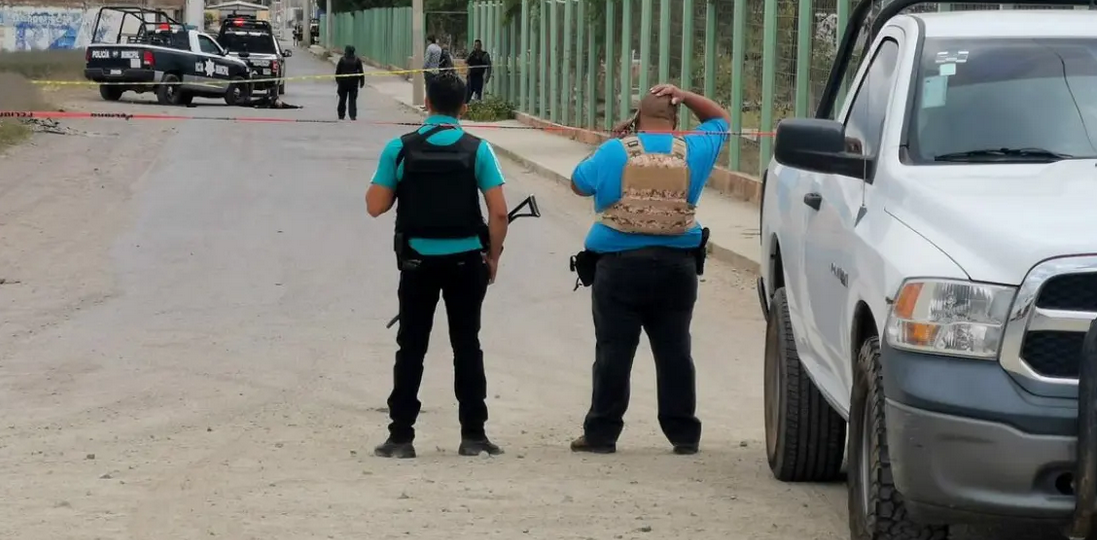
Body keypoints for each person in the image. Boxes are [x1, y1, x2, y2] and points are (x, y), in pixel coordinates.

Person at [567, 83, 730, 456]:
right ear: (675, 118)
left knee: (613, 351)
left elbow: (578, 183)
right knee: (675, 351)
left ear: (637, 117)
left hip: (618, 269)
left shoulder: (615, 151)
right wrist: (685, 95)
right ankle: (683, 434)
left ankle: (601, 434)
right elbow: (721, 119)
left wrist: (614, 143)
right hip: (677, 268)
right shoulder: (694, 149)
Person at [365, 71, 510, 459]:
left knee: (411, 347)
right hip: (466, 262)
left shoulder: (400, 148)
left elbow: (375, 206)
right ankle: (474, 435)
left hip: (417, 263)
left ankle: (400, 438)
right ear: (464, 108)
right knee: (467, 345)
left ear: (426, 103)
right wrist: (493, 257)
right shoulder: (479, 150)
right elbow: (499, 213)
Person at [335, 45, 365, 121]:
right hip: (353, 84)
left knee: (342, 100)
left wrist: (338, 81)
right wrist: (362, 82)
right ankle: (352, 115)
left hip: (343, 84)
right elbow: (361, 72)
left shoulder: (342, 60)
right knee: (352, 101)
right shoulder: (357, 60)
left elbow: (337, 72)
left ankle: (341, 115)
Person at [421, 35, 443, 110]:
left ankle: (427, 106)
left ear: (429, 41)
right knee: (435, 89)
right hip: (436, 71)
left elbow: (427, 60)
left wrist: (423, 68)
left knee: (428, 89)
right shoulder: (439, 48)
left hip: (429, 71)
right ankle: (434, 106)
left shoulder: (429, 48)